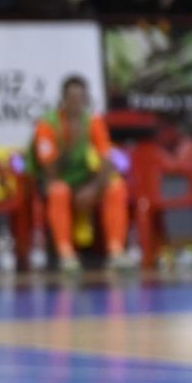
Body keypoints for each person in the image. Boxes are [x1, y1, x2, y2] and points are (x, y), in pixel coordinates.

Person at [31, 75, 130, 273]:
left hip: (86, 183)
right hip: (57, 181)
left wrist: (93, 189)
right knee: (59, 191)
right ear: (63, 100)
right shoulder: (47, 125)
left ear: (85, 100)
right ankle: (66, 255)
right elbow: (50, 172)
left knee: (115, 187)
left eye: (80, 99)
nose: (76, 104)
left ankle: (116, 252)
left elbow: (106, 160)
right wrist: (70, 143)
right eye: (71, 99)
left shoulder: (93, 122)